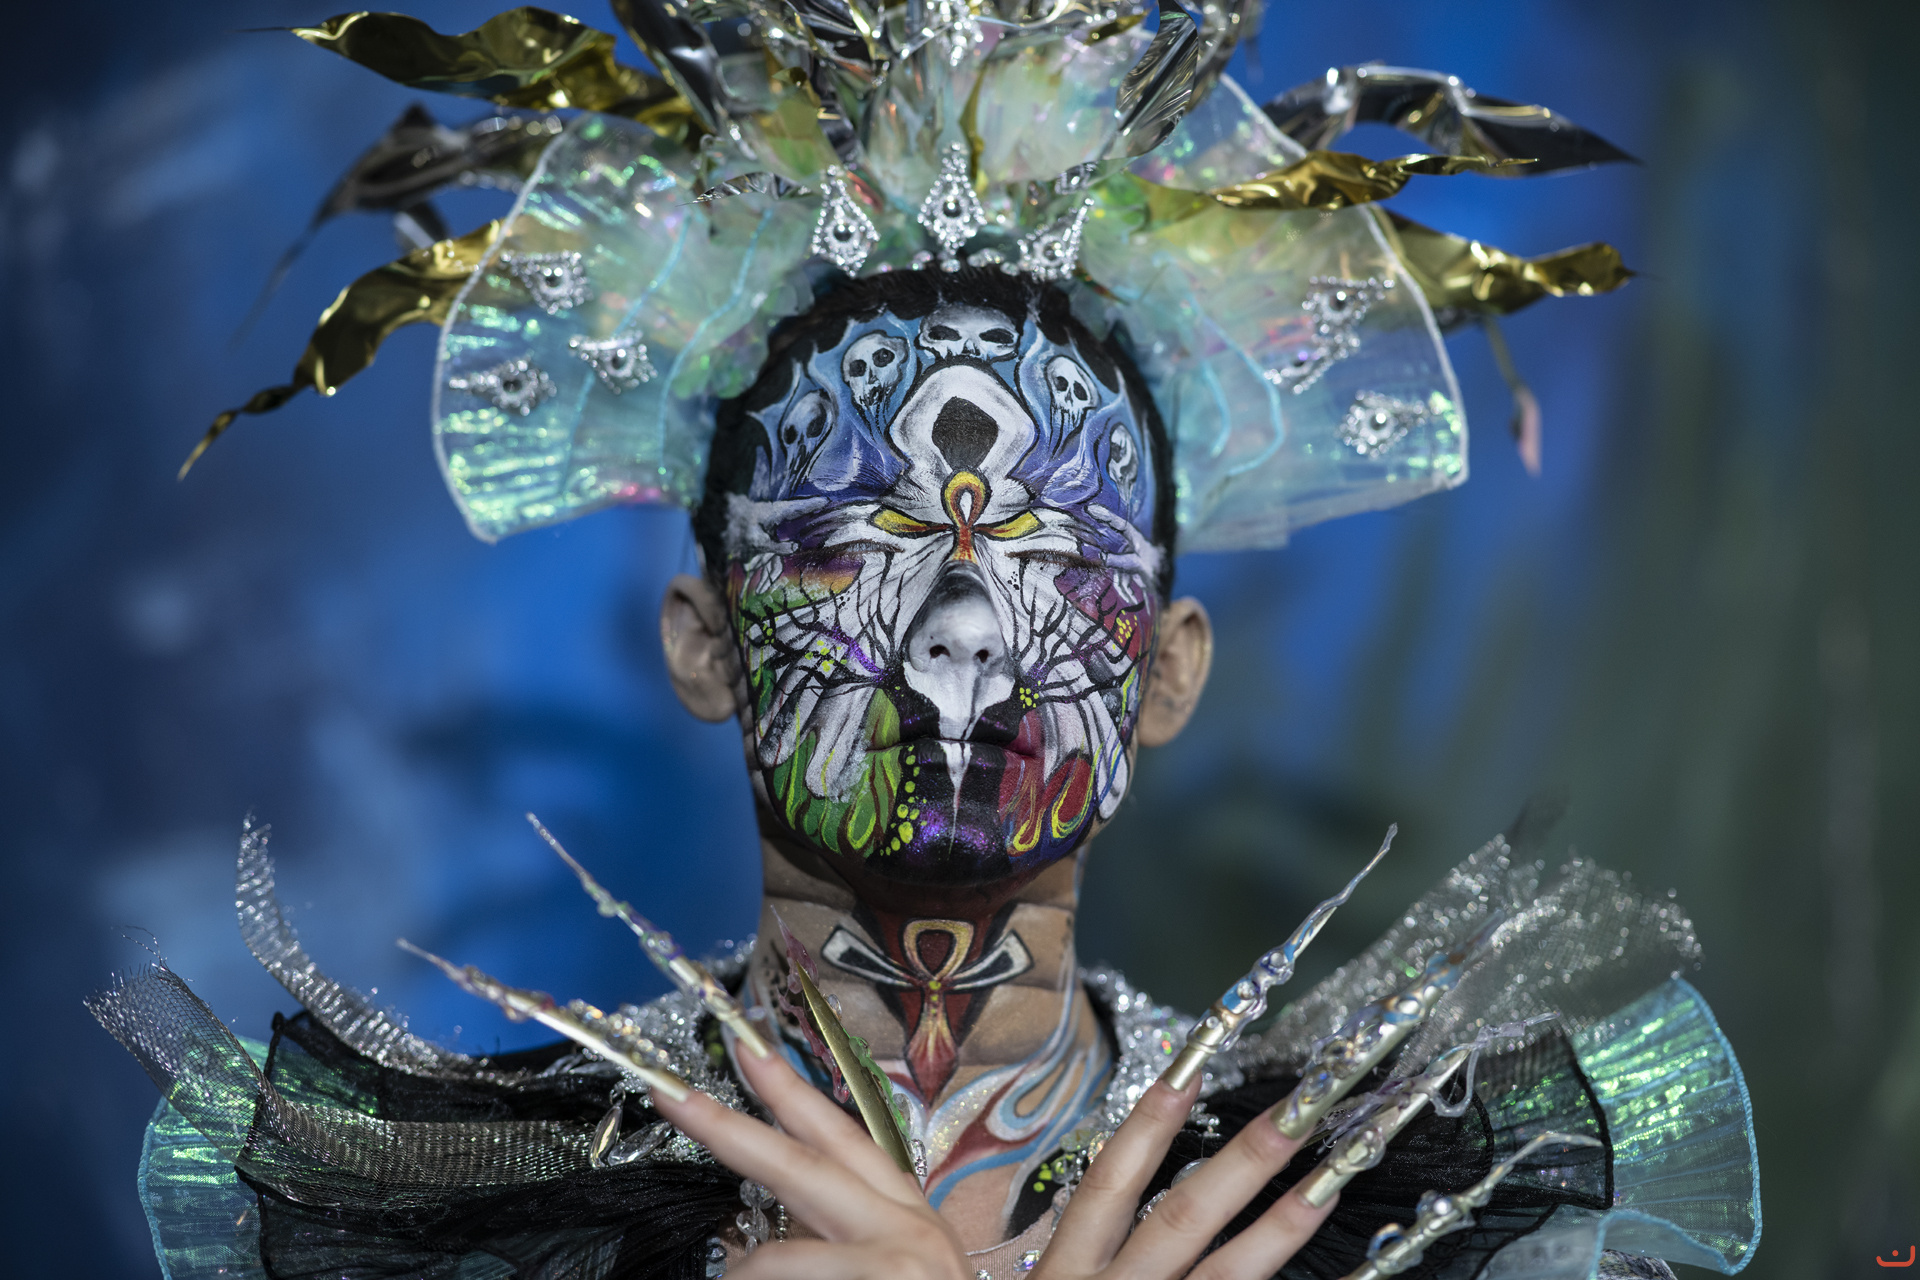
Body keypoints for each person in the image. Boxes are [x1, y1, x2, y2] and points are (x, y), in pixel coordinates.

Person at [91, 6, 1762, 1279]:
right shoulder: (456, 1216)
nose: (964, 626)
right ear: (705, 644)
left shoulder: (1395, 1207)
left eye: (1060, 554)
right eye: (849, 543)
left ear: (1170, 668)